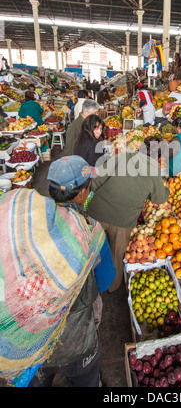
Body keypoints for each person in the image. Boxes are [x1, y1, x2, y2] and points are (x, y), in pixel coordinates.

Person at [0, 156, 114, 387]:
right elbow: (104, 281)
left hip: (35, 344)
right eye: (88, 184)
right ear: (83, 193)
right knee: (86, 381)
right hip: (78, 342)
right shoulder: (91, 233)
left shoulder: (31, 225)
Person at [87, 141, 170, 292]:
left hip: (97, 211)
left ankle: (84, 284)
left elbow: (97, 180)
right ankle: (111, 288)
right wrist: (167, 189)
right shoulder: (154, 171)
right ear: (158, 157)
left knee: (88, 248)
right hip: (122, 222)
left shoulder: (123, 156)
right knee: (116, 255)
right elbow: (159, 199)